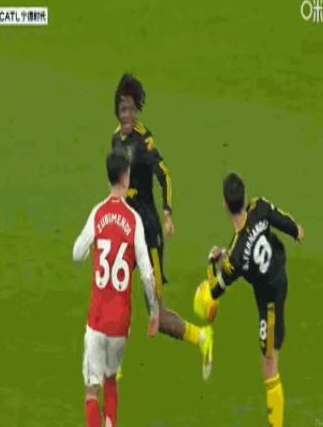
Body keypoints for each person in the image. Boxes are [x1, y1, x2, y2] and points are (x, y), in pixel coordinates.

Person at [111, 73, 213, 378]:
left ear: (137, 109)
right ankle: (114, 365)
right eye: (122, 109)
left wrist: (167, 212)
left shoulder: (144, 139)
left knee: (156, 310)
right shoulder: (115, 139)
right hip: (126, 230)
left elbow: (164, 174)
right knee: (116, 292)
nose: (127, 115)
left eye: (131, 109)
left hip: (148, 234)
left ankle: (201, 337)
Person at [206, 172, 305, 427]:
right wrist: (296, 230)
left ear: (225, 204)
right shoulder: (258, 207)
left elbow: (215, 290)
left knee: (269, 365)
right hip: (279, 271)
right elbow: (279, 219)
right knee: (269, 360)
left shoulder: (235, 257)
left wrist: (211, 262)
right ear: (245, 197)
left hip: (270, 301)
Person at [73, 150, 160, 427]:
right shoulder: (133, 220)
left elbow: (77, 252)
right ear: (126, 178)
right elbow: (146, 273)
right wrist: (154, 311)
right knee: (111, 378)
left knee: (91, 388)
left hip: (97, 318)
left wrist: (93, 247)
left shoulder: (97, 213)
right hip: (121, 322)